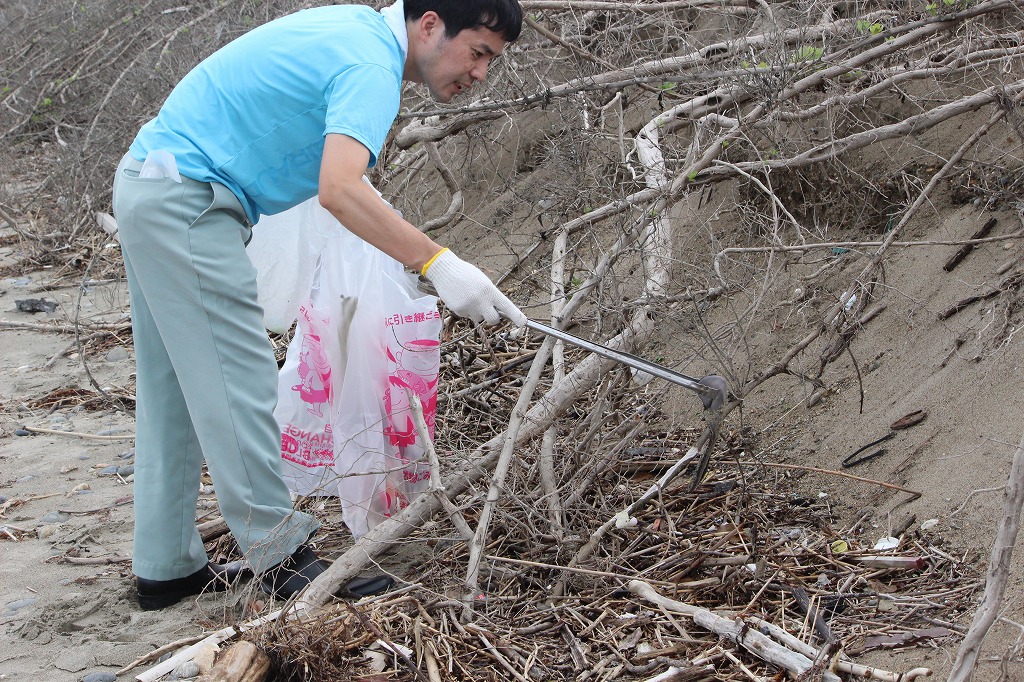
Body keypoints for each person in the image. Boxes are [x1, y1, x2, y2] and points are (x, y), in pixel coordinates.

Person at [112, 0, 526, 610]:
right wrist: (439, 263)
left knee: (174, 386)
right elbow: (339, 188)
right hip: (187, 200)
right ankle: (281, 556)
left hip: (154, 185)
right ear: (431, 24)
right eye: (479, 52)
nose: (480, 74)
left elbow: (321, 166)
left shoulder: (355, 34)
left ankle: (167, 566)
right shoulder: (371, 62)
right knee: (239, 378)